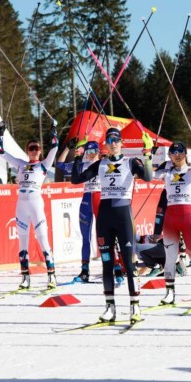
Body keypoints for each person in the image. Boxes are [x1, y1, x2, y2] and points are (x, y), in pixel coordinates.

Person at [72, 126, 154, 324]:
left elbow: (149, 177)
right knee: (107, 262)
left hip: (123, 216)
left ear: (121, 143)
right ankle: (110, 307)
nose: (113, 143)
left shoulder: (130, 162)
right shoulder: (100, 164)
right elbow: (76, 179)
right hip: (105, 217)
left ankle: (135, 306)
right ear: (106, 145)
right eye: (109, 140)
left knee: (129, 262)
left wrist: (148, 154)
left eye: (116, 140)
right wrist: (77, 156)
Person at [0, 120, 59, 290]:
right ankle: (25, 277)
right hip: (21, 205)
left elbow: (55, 147)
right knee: (22, 242)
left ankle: (52, 276)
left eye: (36, 148)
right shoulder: (21, 164)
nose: (34, 151)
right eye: (31, 148)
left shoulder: (44, 165)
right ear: (26, 151)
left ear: (40, 151)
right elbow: (0, 151)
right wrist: (1, 132)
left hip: (36, 204)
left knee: (43, 240)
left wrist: (53, 129)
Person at [153, 119, 191, 306]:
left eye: (180, 152)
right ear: (169, 155)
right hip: (171, 218)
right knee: (170, 257)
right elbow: (148, 175)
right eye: (173, 152)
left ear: (185, 154)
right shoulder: (166, 170)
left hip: (189, 217)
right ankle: (169, 292)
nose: (177, 155)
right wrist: (150, 156)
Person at [56, 137, 102, 283]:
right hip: (87, 200)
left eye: (95, 150)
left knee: (105, 236)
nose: (92, 153)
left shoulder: (104, 164)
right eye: (89, 151)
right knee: (85, 238)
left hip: (100, 198)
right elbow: (60, 165)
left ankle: (114, 267)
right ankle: (85, 270)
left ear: (99, 152)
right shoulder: (81, 165)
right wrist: (68, 148)